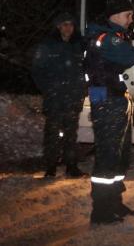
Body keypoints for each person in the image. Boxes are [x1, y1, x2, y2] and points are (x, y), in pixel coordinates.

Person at [85, 0, 134, 225]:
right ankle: (101, 210)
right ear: (116, 16)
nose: (131, 20)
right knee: (108, 155)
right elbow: (132, 56)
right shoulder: (106, 39)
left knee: (120, 154)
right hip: (108, 101)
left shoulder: (115, 37)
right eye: (128, 15)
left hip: (117, 98)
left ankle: (114, 202)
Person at [31, 13, 87, 178]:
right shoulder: (48, 46)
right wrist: (48, 89)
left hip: (73, 97)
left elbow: (87, 69)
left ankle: (71, 167)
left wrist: (82, 90)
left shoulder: (79, 45)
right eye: (64, 24)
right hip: (54, 98)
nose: (68, 28)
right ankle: (51, 167)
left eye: (70, 24)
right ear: (58, 27)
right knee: (52, 134)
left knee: (71, 134)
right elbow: (37, 70)